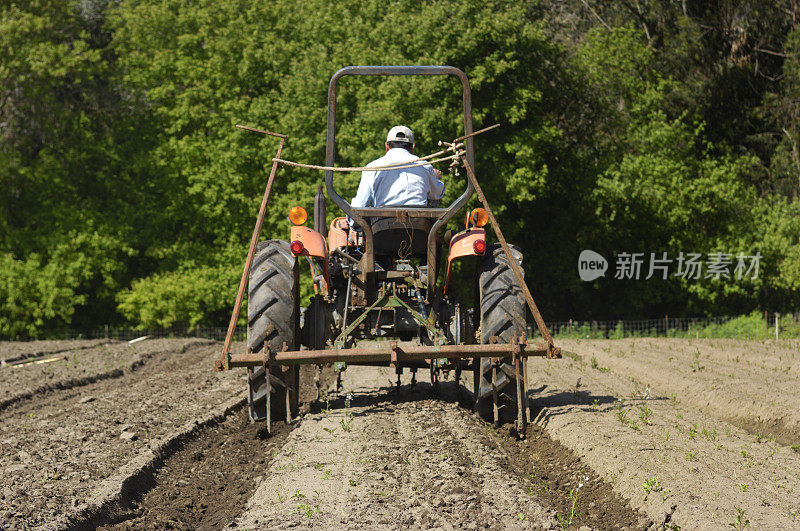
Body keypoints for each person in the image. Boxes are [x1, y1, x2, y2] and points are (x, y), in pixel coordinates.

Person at [351, 125, 445, 210]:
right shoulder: (425, 166)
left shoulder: (372, 167)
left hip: (382, 226)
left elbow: (360, 204)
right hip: (421, 225)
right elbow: (437, 194)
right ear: (412, 147)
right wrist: (436, 178)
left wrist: (353, 224)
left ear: (387, 146)